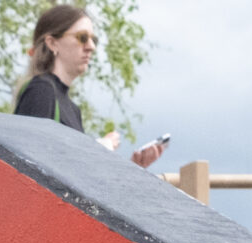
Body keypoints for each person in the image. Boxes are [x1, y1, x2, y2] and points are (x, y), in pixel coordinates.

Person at [14, 5, 167, 168]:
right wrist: (99, 148)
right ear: (52, 43)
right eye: (82, 37)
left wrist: (133, 167)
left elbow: (73, 178)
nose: (91, 46)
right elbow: (29, 168)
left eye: (93, 39)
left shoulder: (73, 110)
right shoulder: (41, 91)